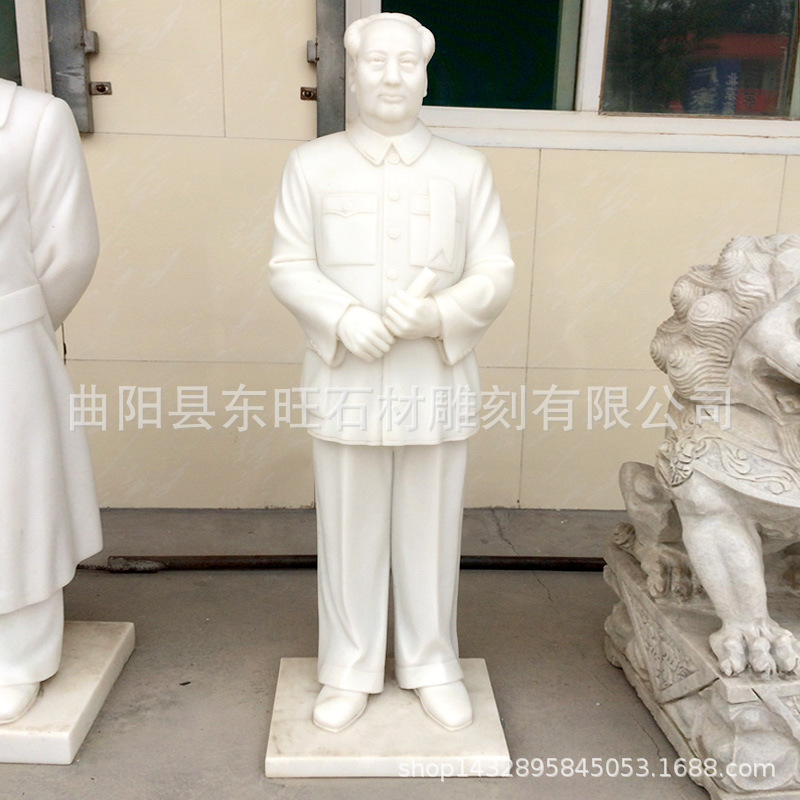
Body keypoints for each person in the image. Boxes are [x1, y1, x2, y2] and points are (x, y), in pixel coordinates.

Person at [269, 12, 513, 733]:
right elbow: (289, 264)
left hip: (434, 379)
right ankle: (348, 665)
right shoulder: (312, 167)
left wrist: (437, 315)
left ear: (426, 76)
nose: (393, 76)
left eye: (408, 62)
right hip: (345, 378)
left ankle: (431, 662)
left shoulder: (465, 170)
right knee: (349, 527)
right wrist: (344, 318)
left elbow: (494, 269)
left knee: (429, 530)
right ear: (352, 72)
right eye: (377, 61)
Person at [0, 78, 102, 724]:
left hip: (7, 339)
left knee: (16, 498)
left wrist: (24, 325)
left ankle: (19, 655)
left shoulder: (33, 120)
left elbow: (70, 250)